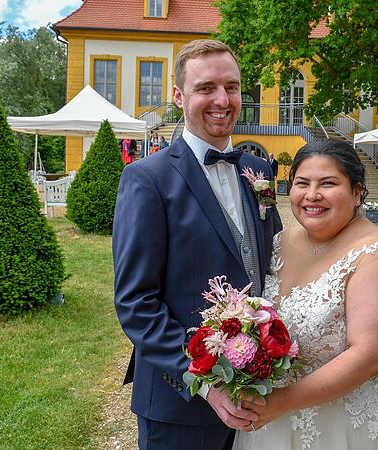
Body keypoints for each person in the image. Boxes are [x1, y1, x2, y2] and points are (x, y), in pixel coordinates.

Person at [113, 39, 283, 450]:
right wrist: (205, 384)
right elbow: (136, 301)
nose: (222, 100)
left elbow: (274, 265)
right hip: (180, 406)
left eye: (232, 87)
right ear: (178, 96)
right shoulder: (147, 179)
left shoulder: (259, 170)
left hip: (260, 394)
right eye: (206, 88)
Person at [233, 140, 378, 450]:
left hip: (347, 424)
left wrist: (281, 402)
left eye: (328, 183)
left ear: (357, 192)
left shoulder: (377, 259)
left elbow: (369, 357)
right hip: (276, 420)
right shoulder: (280, 241)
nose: (312, 195)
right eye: (302, 183)